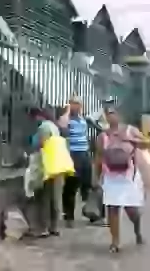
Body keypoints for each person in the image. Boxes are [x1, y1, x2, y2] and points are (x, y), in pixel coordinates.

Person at [94, 107, 148, 253]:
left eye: (114, 113)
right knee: (112, 208)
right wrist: (96, 178)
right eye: (108, 114)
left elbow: (147, 144)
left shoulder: (131, 130)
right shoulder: (103, 136)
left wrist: (130, 140)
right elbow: (99, 157)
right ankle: (115, 241)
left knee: (132, 211)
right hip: (111, 177)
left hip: (129, 177)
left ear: (120, 115)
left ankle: (137, 230)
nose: (111, 117)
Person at [27, 107, 63, 236]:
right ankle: (55, 226)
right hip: (57, 164)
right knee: (55, 197)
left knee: (44, 197)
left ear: (37, 116)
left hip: (47, 165)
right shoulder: (54, 126)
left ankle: (44, 228)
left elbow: (43, 146)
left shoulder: (43, 128)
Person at [59, 96, 92, 228]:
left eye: (78, 104)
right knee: (71, 186)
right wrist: (67, 111)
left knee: (87, 184)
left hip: (84, 154)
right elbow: (62, 125)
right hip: (73, 155)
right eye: (73, 104)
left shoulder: (82, 119)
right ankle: (69, 216)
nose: (76, 106)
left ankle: (91, 212)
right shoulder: (68, 120)